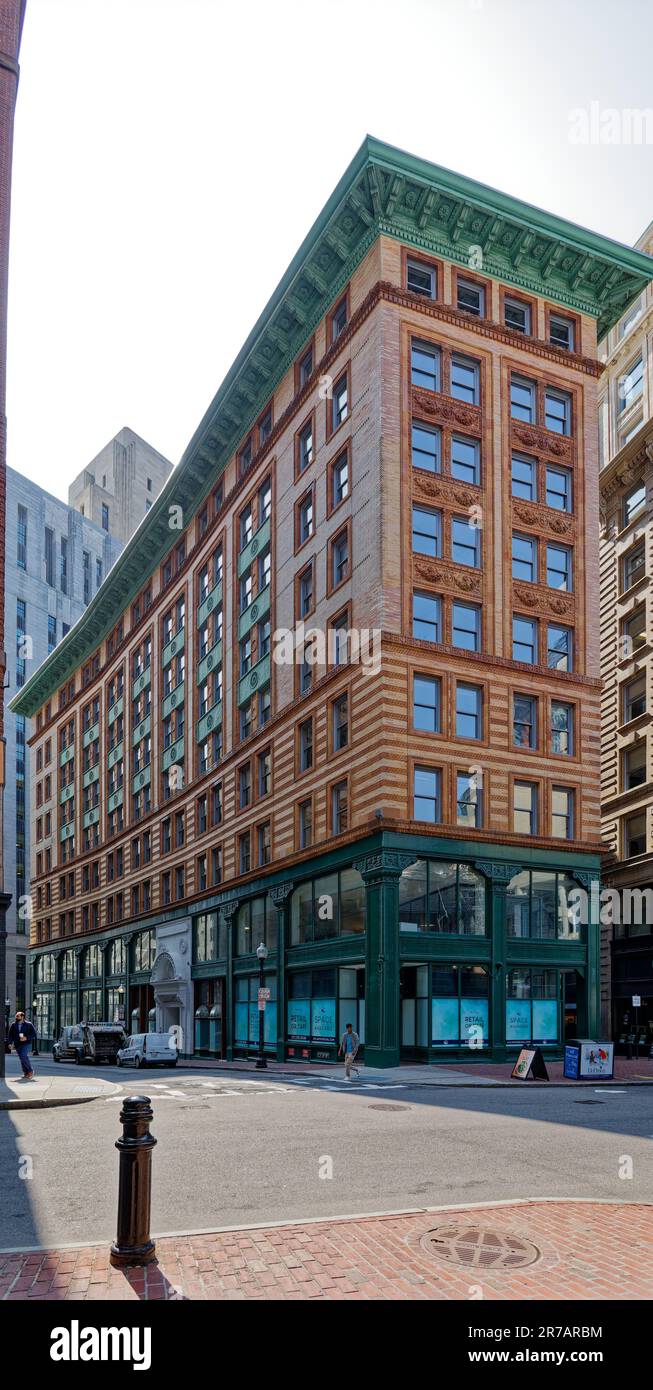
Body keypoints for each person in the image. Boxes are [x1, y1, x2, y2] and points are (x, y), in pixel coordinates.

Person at [7, 1011, 37, 1081]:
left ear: (22, 1017)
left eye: (18, 1016)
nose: (16, 1017)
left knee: (24, 1056)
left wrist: (26, 1038)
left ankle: (30, 1071)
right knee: (22, 1058)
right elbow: (10, 1035)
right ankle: (26, 1073)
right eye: (16, 1016)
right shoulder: (13, 1025)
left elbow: (34, 1034)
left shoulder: (29, 1024)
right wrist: (10, 1043)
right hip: (17, 1044)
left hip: (26, 1043)